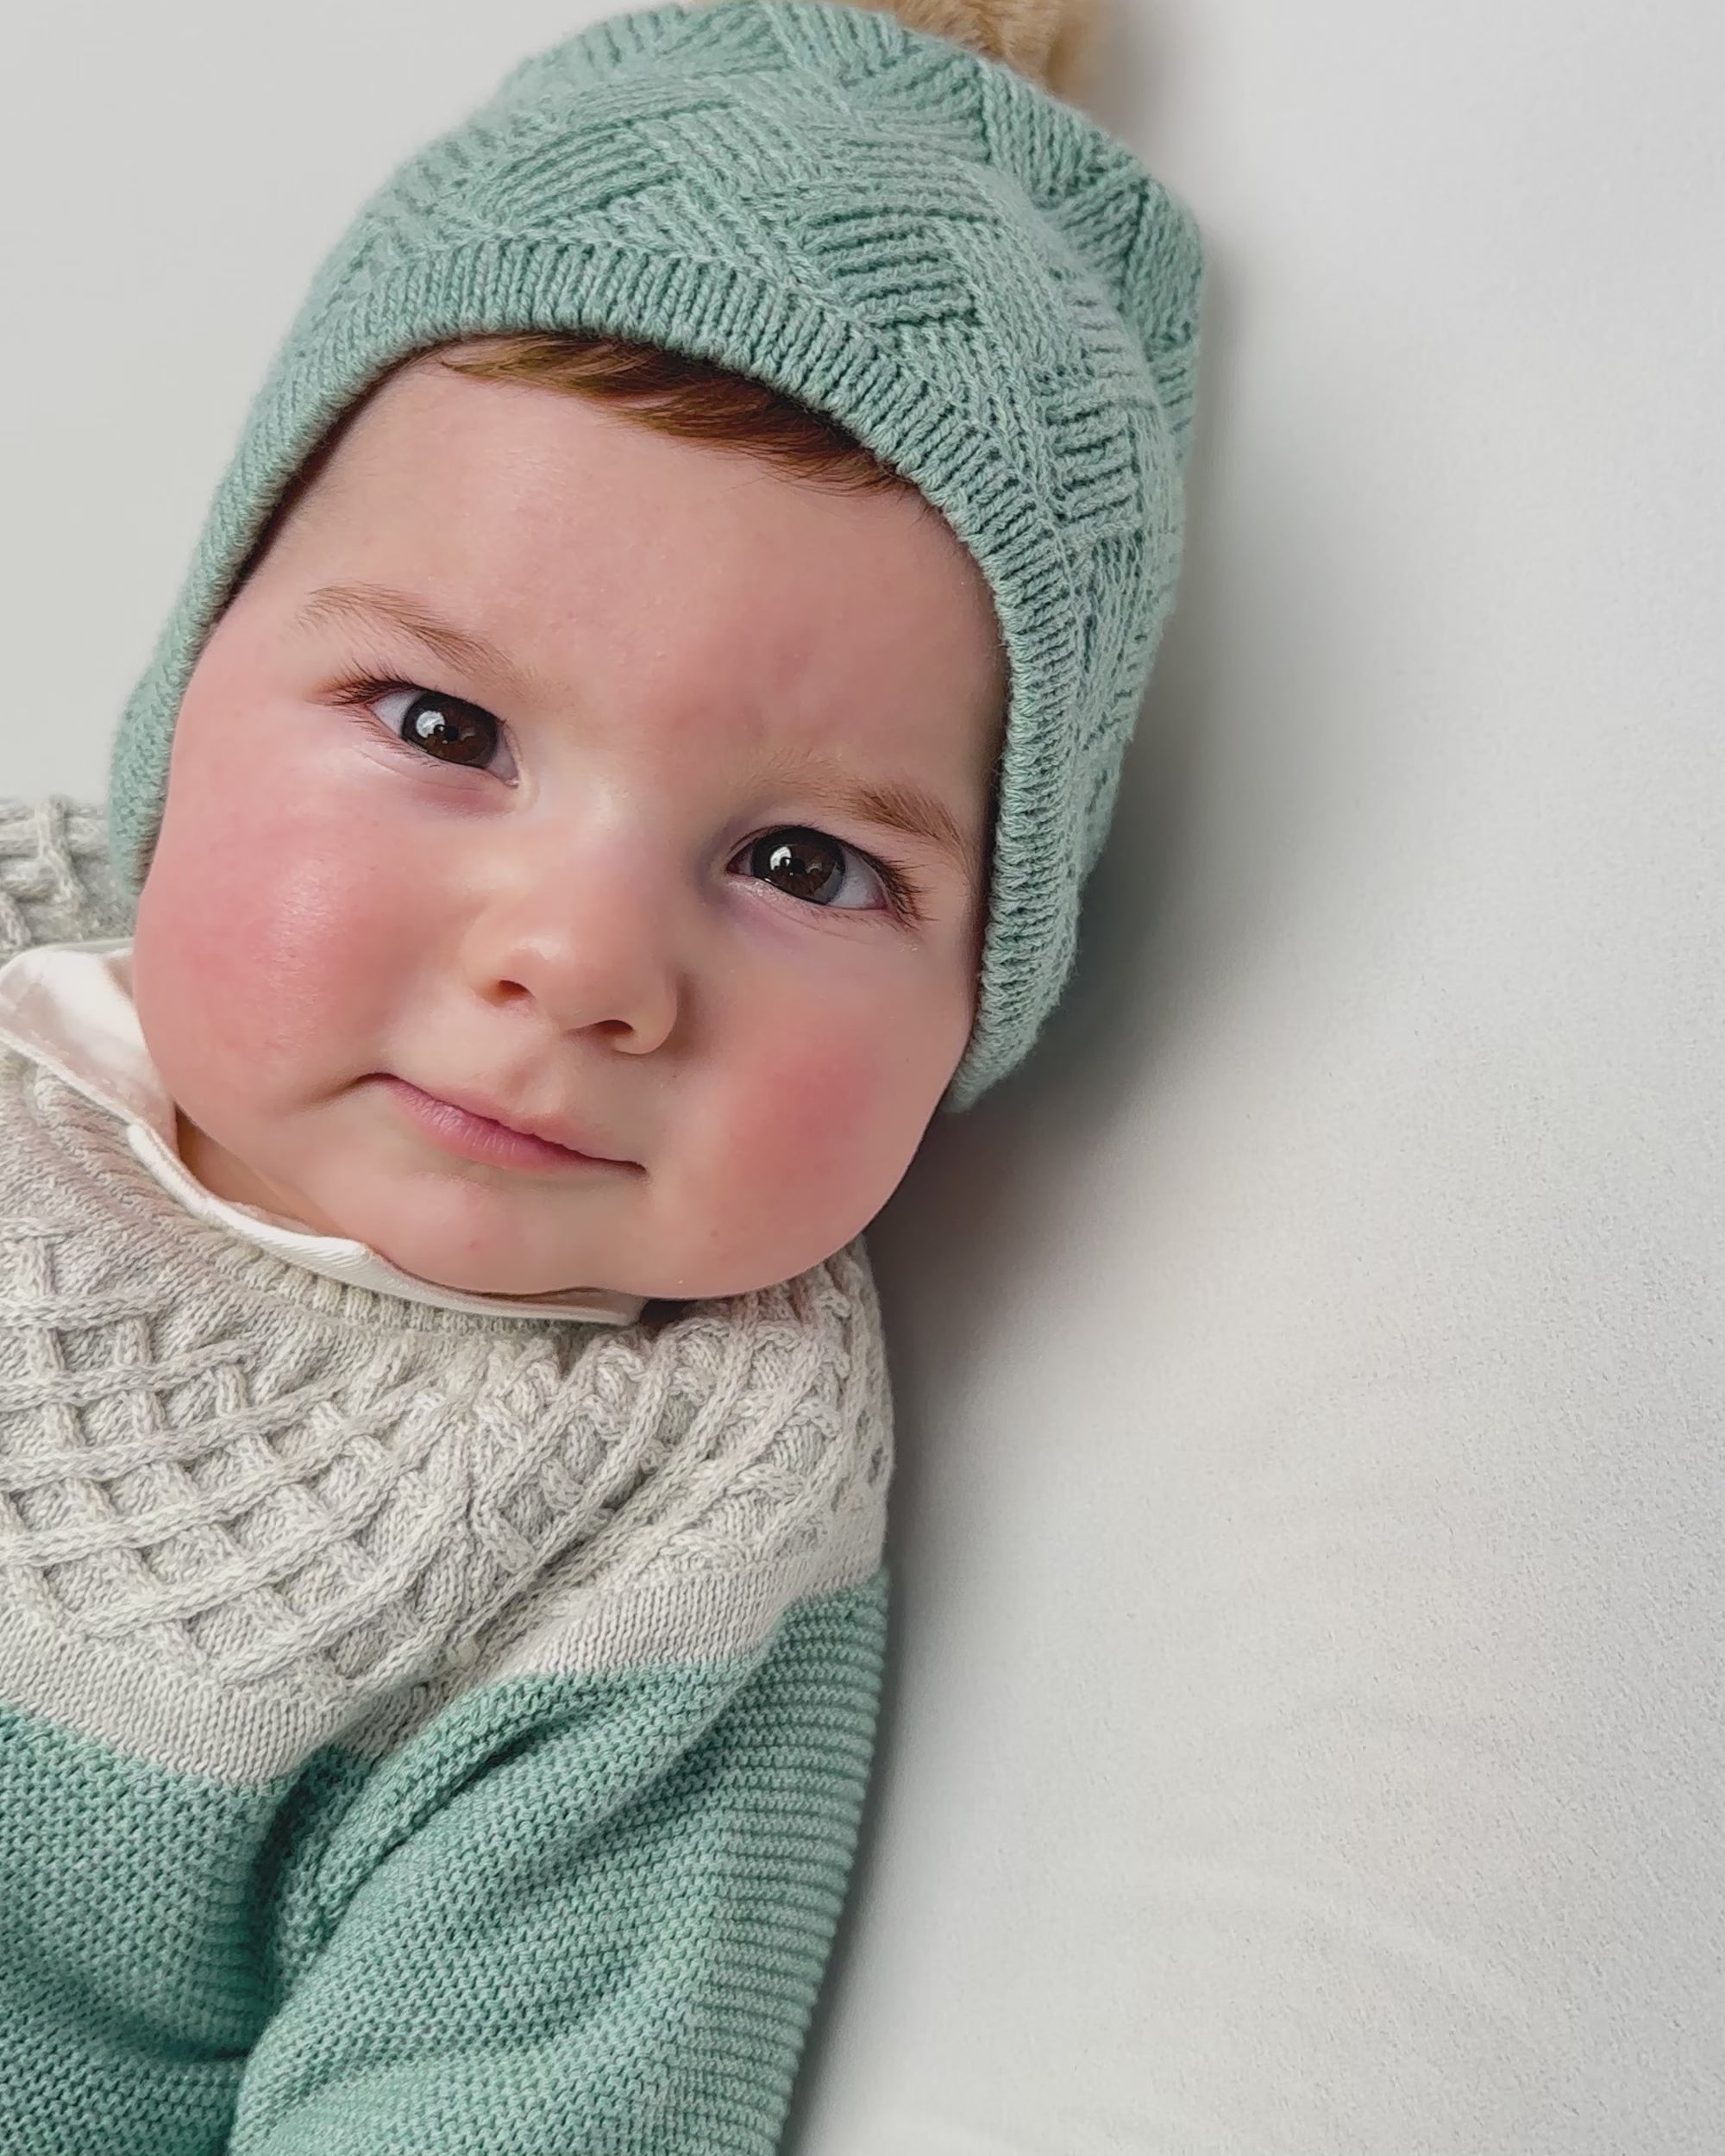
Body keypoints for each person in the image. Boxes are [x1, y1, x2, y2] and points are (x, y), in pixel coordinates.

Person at [0, 0, 1201, 2147]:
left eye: (804, 862)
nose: (577, 962)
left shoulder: (676, 1508)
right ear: (186, 692)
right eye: (444, 729)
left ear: (986, 997)